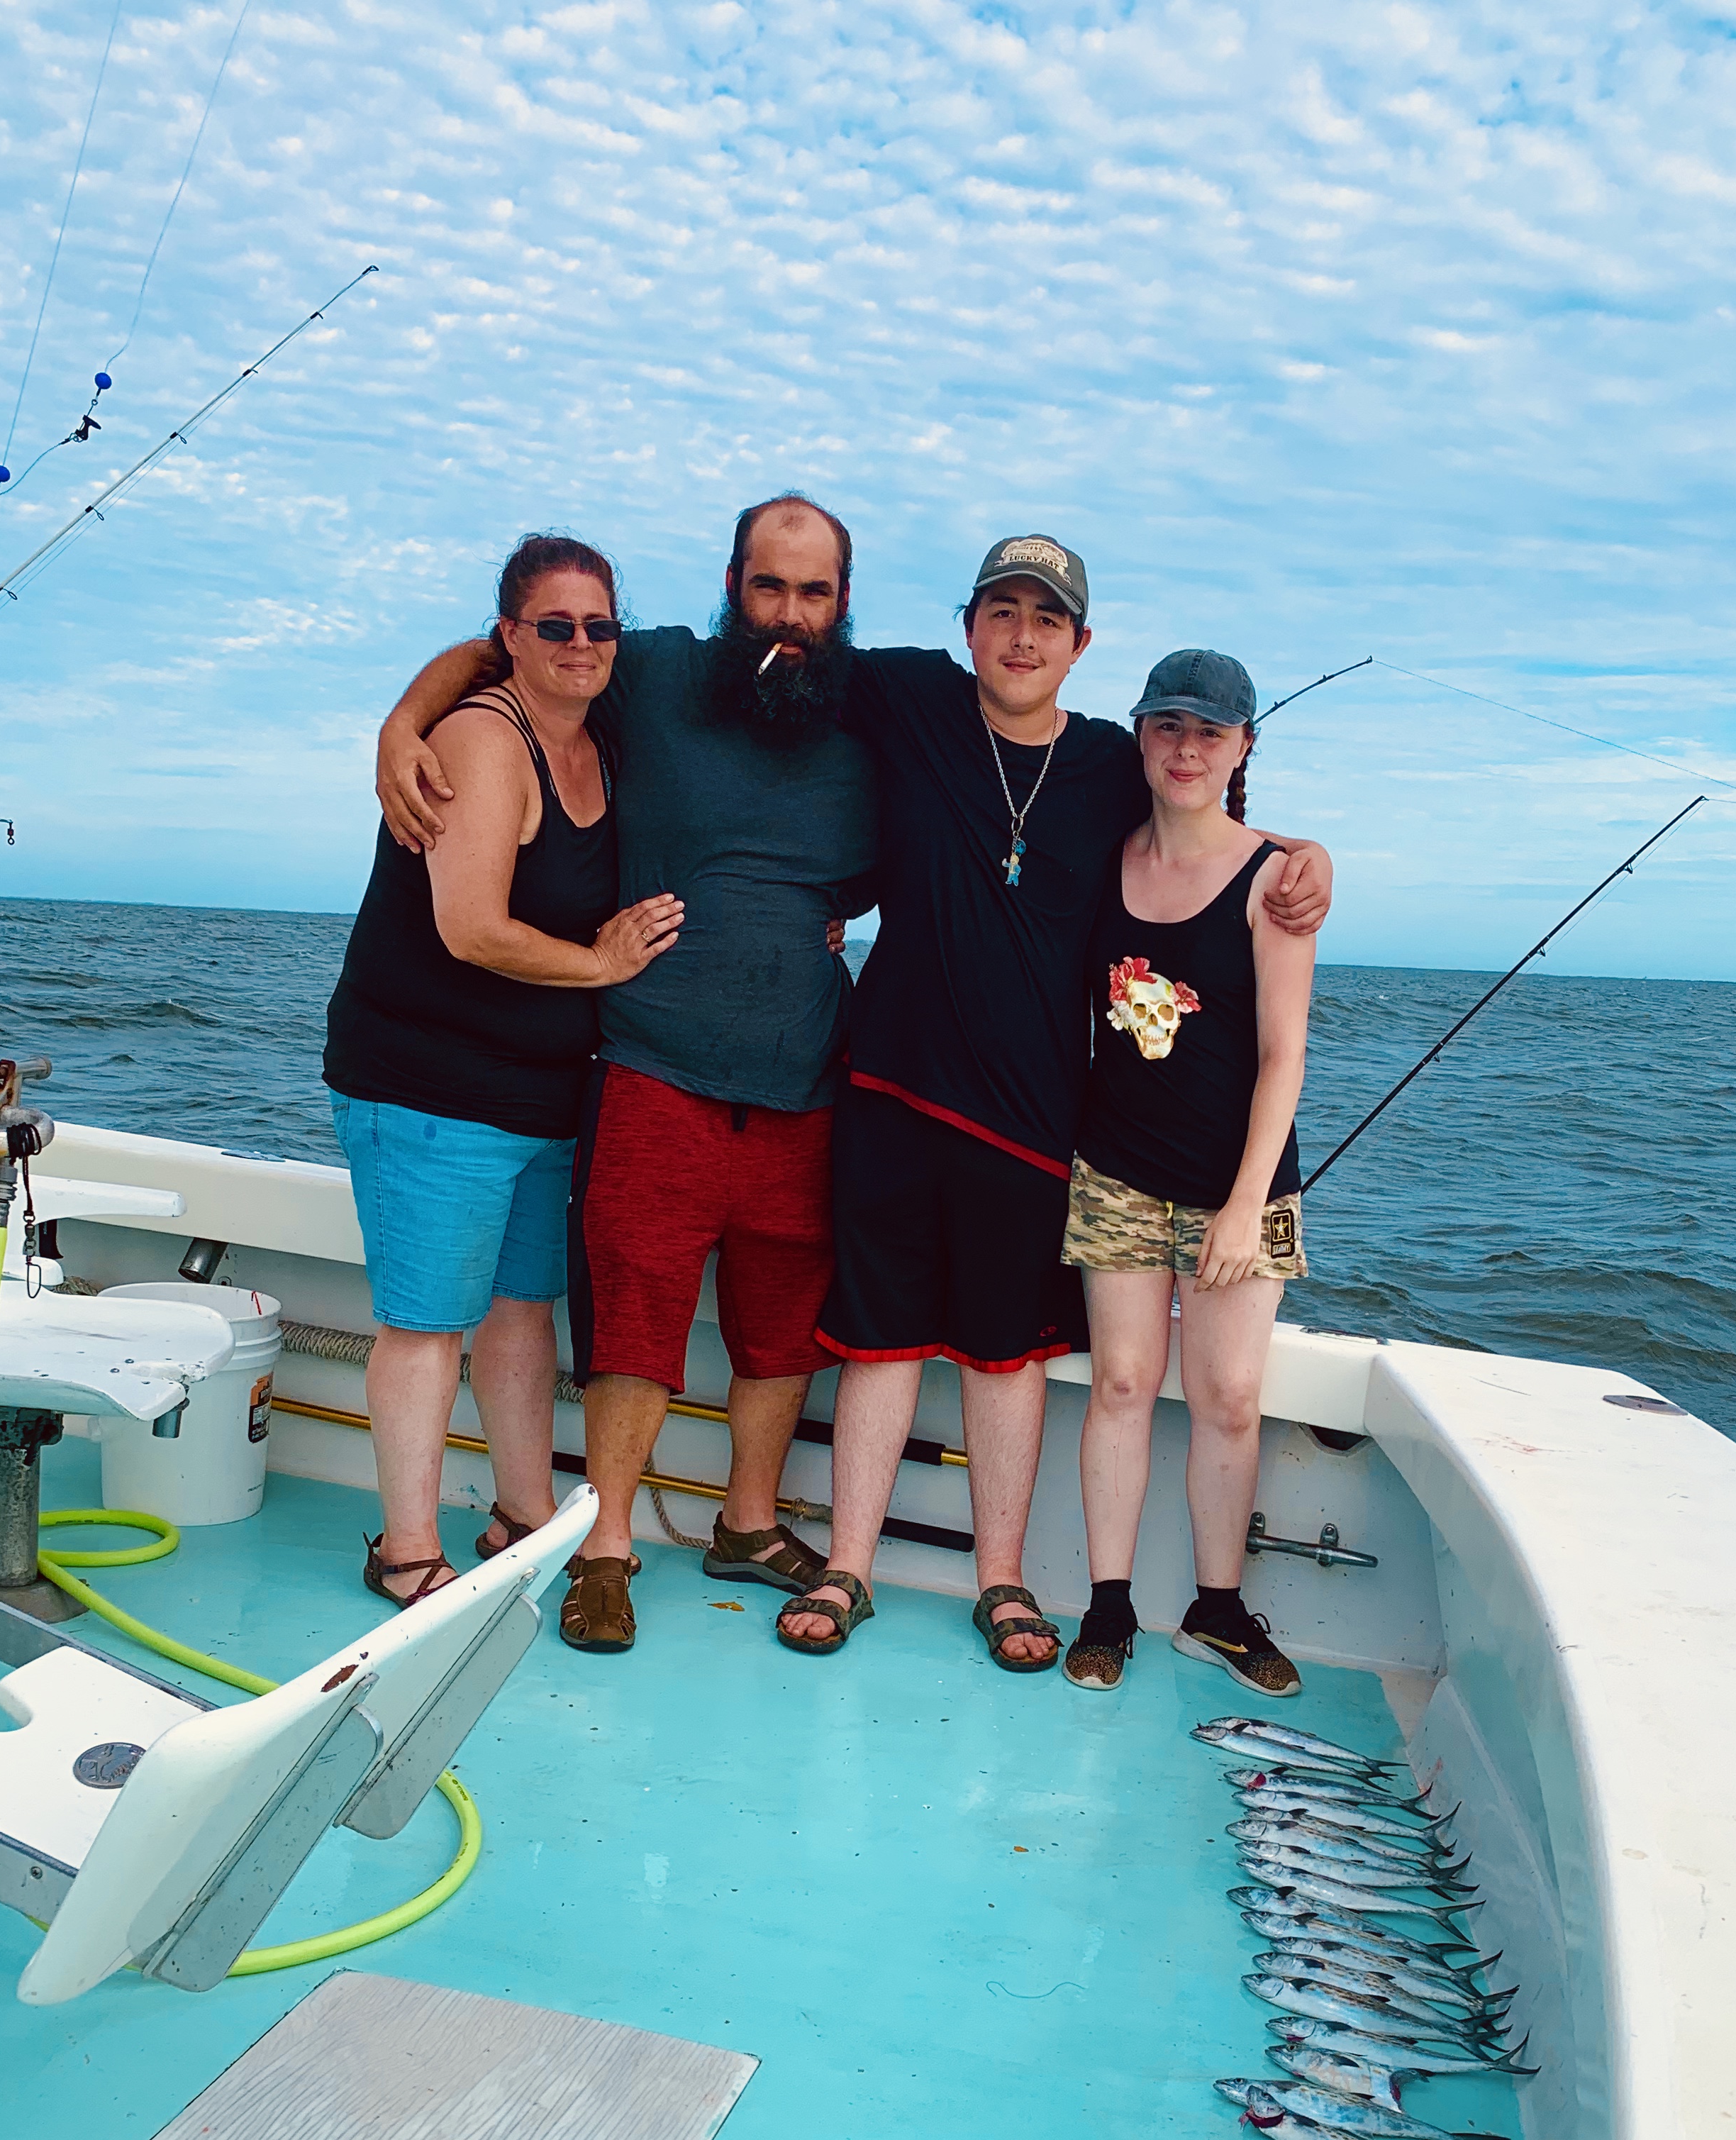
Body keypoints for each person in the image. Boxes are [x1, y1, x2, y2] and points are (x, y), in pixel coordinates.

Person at [772, 538, 1332, 1670]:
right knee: (880, 1344)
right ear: (969, 625)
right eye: (1002, 612)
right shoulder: (914, 695)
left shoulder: (1111, 766)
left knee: (1008, 1354)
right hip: (892, 1086)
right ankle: (849, 1568)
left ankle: (1008, 1582)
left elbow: (1216, 829)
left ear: (1082, 647)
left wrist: (1306, 850)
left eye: (1048, 619)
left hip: (1036, 1124)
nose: (1022, 636)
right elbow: (782, 651)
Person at [374, 496, 877, 1654]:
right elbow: (510, 642)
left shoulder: (874, 706)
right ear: (731, 585)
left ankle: (748, 1524)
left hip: (807, 1080)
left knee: (780, 1325)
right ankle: (604, 1545)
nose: (790, 616)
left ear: (842, 602)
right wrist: (405, 722)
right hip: (653, 1067)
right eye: (769, 587)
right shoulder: (654, 671)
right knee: (635, 1320)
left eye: (813, 593)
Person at [324, 534, 680, 1607]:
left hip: (541, 1094)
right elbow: (472, 927)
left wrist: (399, 712)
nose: (581, 644)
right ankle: (404, 1552)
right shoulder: (485, 738)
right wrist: (602, 964)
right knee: (427, 1324)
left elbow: (454, 660)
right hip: (426, 1088)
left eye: (599, 625)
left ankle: (523, 1520)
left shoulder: (600, 728)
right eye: (555, 626)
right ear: (510, 638)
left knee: (523, 1309)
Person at [1058, 649, 1314, 1697]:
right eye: (1168, 726)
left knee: (1231, 1398)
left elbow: (1284, 1054)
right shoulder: (1101, 858)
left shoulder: (1277, 880)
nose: (1187, 748)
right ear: (1141, 735)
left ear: (1244, 746)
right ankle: (1107, 1605)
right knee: (1121, 1385)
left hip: (1240, 1188)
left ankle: (1218, 1609)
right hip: (1116, 1168)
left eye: (1211, 731)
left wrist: (1246, 1206)